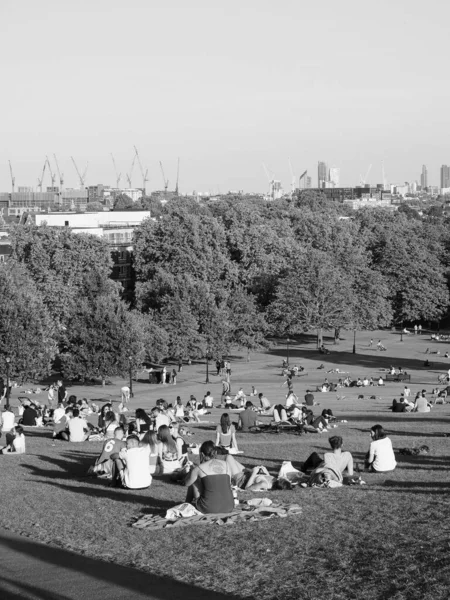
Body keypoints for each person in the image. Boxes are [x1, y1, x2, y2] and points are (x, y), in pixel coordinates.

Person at [184, 441, 234, 514]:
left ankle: (186, 504)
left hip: (208, 508)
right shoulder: (226, 465)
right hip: (229, 506)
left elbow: (186, 483)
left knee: (195, 481)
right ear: (215, 453)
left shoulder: (199, 468)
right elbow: (228, 484)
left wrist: (191, 472)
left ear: (202, 454)